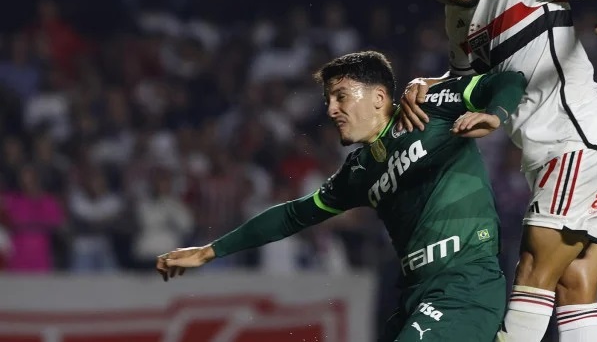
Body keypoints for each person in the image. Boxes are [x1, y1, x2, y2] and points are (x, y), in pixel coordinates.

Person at [155, 50, 528, 342]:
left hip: (465, 285)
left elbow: (508, 79)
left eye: (341, 96)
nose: (332, 109)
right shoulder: (358, 172)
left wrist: (495, 113)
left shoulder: (428, 106)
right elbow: (292, 215)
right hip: (416, 294)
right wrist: (208, 251)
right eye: (329, 99)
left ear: (379, 97)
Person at [398, 0, 597, 342]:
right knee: (574, 287)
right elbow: (467, 83)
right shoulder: (457, 20)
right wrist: (425, 83)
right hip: (576, 148)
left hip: (577, 138)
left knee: (531, 271)